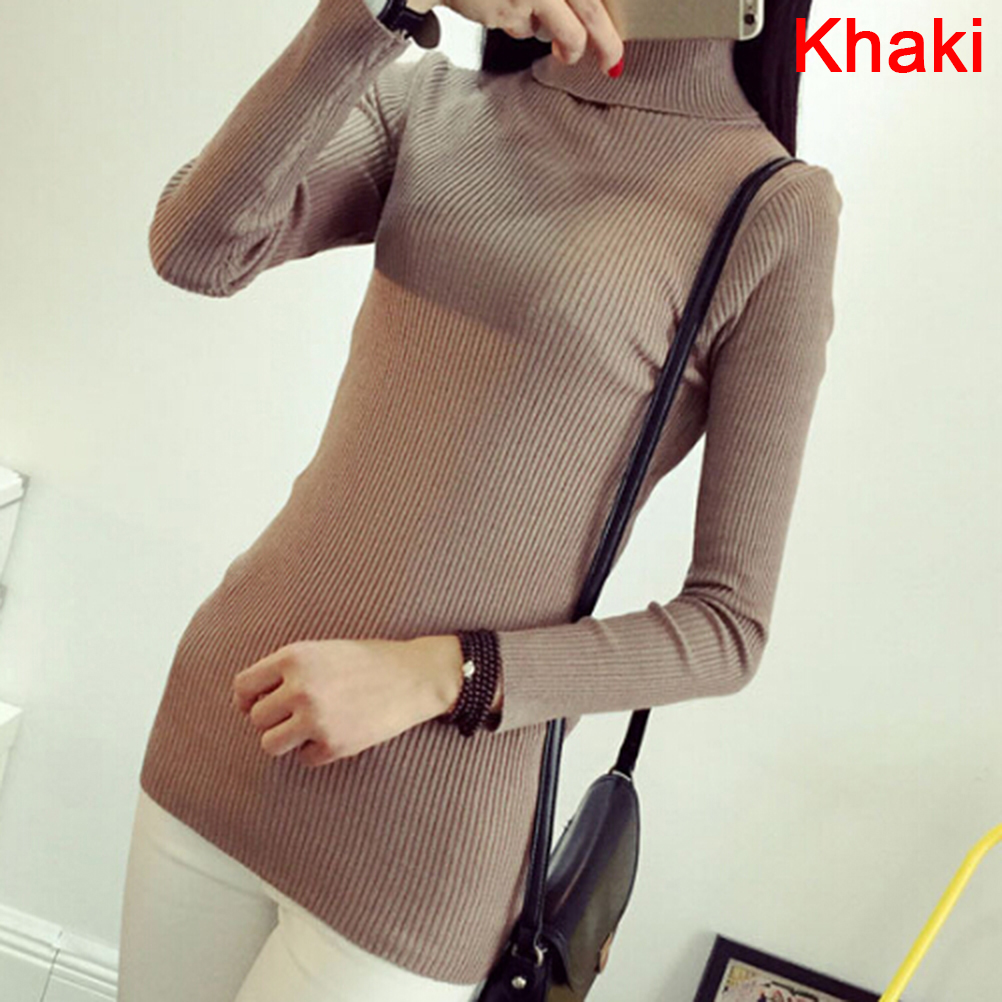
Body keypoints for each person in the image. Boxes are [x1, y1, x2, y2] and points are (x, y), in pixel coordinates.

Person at [118, 0, 841, 997]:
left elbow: (727, 627)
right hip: (225, 722)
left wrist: (441, 673)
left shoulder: (772, 210)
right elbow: (196, 248)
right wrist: (379, 7)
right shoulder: (430, 101)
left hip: (428, 836)